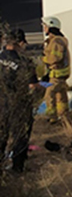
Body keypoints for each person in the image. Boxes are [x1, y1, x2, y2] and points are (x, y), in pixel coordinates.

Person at [0, 29, 37, 172]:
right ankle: (17, 169)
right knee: (19, 136)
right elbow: (32, 85)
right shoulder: (25, 62)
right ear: (20, 43)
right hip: (18, 104)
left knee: (1, 135)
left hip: (1, 102)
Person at [41, 16, 70, 124]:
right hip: (59, 74)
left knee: (49, 95)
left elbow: (55, 58)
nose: (44, 28)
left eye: (45, 26)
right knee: (60, 96)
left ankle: (52, 117)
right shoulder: (56, 40)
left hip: (56, 75)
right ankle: (64, 116)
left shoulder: (56, 41)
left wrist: (43, 58)